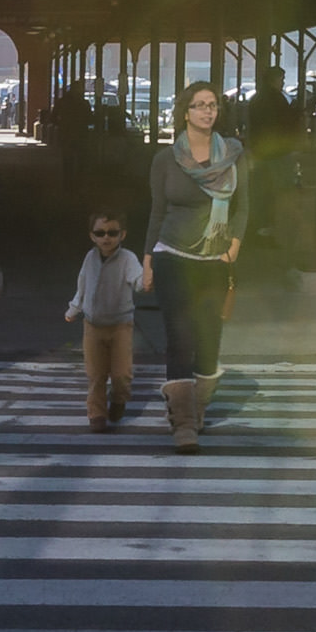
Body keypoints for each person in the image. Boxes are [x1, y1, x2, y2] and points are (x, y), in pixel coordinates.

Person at [147, 80, 247, 451]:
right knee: (181, 334)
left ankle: (197, 405)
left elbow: (244, 206)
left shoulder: (234, 155)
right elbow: (157, 210)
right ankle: (184, 422)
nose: (208, 111)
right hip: (172, 254)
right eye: (200, 105)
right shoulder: (166, 159)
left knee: (209, 339)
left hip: (215, 258)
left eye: (213, 105)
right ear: (185, 112)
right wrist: (147, 260)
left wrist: (233, 246)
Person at [67, 209, 146, 430]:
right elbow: (82, 285)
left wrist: (147, 278)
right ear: (92, 236)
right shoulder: (90, 257)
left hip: (121, 325)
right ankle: (97, 414)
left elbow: (138, 281)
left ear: (123, 235)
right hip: (92, 324)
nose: (106, 238)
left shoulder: (128, 258)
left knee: (121, 374)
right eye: (100, 233)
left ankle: (119, 399)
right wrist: (74, 308)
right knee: (95, 374)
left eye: (112, 232)